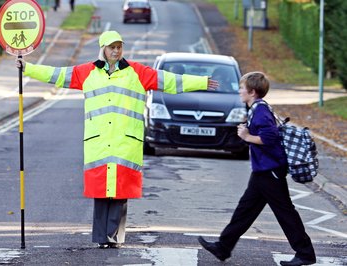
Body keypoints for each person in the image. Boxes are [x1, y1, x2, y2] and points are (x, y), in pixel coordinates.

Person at [17, 31, 218, 248]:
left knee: (120, 193)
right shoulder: (87, 72)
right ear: (103, 49)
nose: (115, 50)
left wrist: (200, 82)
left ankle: (114, 238)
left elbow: (168, 80)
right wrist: (28, 68)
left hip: (125, 143)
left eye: (119, 47)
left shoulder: (137, 72)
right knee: (100, 192)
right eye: (112, 47)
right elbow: (56, 74)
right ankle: (101, 238)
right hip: (99, 143)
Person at [198, 72, 316, 266]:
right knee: (245, 210)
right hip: (264, 170)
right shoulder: (257, 108)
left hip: (270, 171)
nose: (239, 91)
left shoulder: (260, 110)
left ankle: (305, 253)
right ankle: (223, 247)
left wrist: (246, 136)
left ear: (252, 91)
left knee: (285, 213)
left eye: (241, 88)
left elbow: (269, 138)